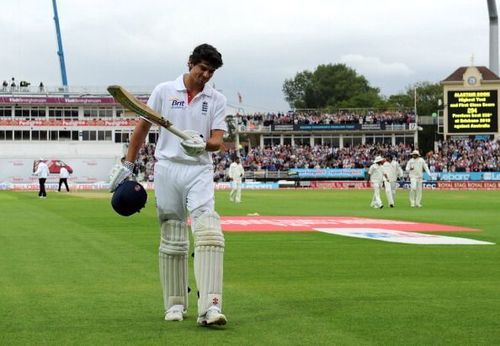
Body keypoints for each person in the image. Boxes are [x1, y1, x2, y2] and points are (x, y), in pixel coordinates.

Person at [110, 44, 227, 326]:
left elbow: (217, 141)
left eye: (211, 72)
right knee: (173, 237)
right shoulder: (164, 91)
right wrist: (128, 164)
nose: (206, 75)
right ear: (190, 63)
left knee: (209, 234)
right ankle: (175, 305)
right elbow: (143, 127)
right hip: (167, 169)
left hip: (199, 169)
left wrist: (202, 145)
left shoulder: (217, 99)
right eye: (202, 69)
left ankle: (210, 307)